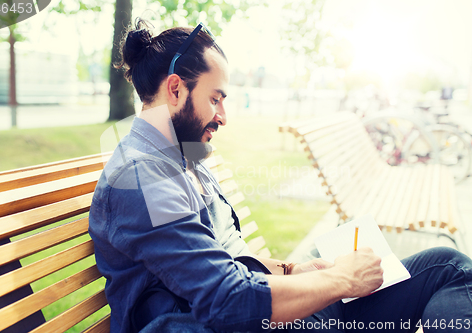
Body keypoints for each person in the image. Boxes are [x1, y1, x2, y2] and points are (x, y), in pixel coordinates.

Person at [89, 19, 472, 333]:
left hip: (274, 310)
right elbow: (227, 301)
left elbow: (227, 257)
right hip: (236, 321)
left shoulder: (184, 158)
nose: (222, 115)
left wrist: (295, 270)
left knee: (448, 267)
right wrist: (343, 281)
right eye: (215, 98)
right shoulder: (140, 178)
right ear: (175, 89)